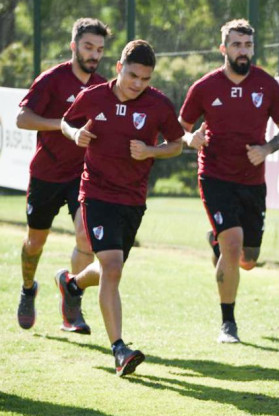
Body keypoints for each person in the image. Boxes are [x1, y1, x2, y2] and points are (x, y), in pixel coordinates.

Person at [59, 40, 186, 376]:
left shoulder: (159, 104)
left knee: (108, 268)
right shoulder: (94, 95)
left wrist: (150, 151)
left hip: (132, 199)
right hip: (97, 194)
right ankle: (119, 349)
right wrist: (75, 135)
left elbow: (175, 145)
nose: (137, 84)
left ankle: (71, 285)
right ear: (119, 67)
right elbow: (65, 122)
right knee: (112, 266)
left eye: (145, 79)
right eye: (132, 76)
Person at [179, 19, 279, 344]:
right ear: (223, 49)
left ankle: (216, 241)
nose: (243, 52)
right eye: (236, 45)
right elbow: (180, 128)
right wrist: (191, 139)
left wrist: (267, 148)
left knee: (248, 259)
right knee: (232, 246)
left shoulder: (267, 85)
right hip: (215, 176)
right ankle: (228, 323)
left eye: (247, 45)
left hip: (252, 182)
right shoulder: (204, 87)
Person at [15, 18, 110, 333]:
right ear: (74, 46)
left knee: (85, 238)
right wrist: (64, 126)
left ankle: (72, 306)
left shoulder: (103, 86)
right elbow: (22, 119)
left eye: (99, 49)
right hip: (46, 174)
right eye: (88, 47)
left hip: (84, 175)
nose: (94, 54)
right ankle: (29, 288)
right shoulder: (52, 80)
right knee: (34, 242)